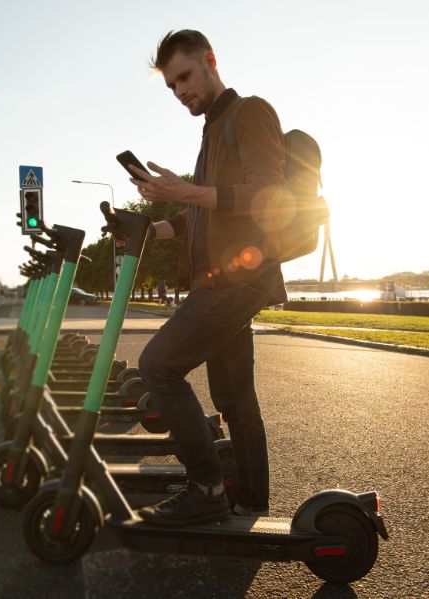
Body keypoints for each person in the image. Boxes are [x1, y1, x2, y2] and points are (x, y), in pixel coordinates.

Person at [127, 30, 288, 527]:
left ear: (211, 61)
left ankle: (207, 486)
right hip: (221, 280)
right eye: (172, 86)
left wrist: (189, 191)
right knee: (235, 400)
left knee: (158, 366)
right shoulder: (212, 131)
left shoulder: (249, 113)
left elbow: (267, 195)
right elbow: (203, 214)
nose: (180, 92)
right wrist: (152, 226)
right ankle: (252, 502)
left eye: (185, 77)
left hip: (237, 280)